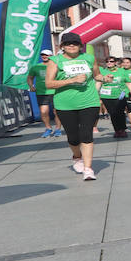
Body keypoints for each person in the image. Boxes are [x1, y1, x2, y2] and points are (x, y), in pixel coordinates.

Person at [47, 34, 102, 180]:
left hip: (89, 101)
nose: (72, 45)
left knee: (86, 135)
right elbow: (49, 84)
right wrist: (72, 80)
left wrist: (105, 78)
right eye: (68, 43)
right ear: (62, 46)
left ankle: (88, 169)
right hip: (65, 104)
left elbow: (97, 75)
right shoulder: (55, 61)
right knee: (73, 137)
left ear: (80, 46)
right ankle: (77, 156)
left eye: (75, 43)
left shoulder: (89, 58)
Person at [97, 55, 131, 138]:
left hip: (120, 95)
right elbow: (99, 82)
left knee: (120, 112)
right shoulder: (103, 71)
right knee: (112, 113)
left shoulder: (122, 71)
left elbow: (128, 82)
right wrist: (95, 94)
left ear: (115, 62)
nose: (109, 63)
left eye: (111, 61)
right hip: (106, 95)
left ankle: (122, 129)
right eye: (107, 61)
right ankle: (117, 130)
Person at [28, 49, 58, 137]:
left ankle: (58, 129)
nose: (44, 56)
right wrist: (31, 86)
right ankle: (48, 128)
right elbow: (29, 78)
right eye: (42, 55)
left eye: (46, 55)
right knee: (43, 111)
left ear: (51, 56)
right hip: (42, 92)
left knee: (57, 112)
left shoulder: (57, 66)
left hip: (56, 91)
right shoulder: (36, 67)